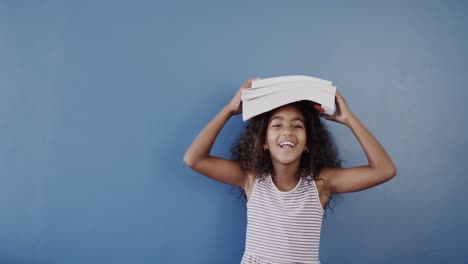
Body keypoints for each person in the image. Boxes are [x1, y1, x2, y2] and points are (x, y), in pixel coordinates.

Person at [183, 77, 397, 264]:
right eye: (277, 125)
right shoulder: (251, 179)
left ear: (307, 143)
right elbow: (194, 159)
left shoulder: (320, 183)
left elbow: (384, 170)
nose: (287, 132)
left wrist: (349, 119)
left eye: (297, 126)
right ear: (264, 142)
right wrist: (229, 110)